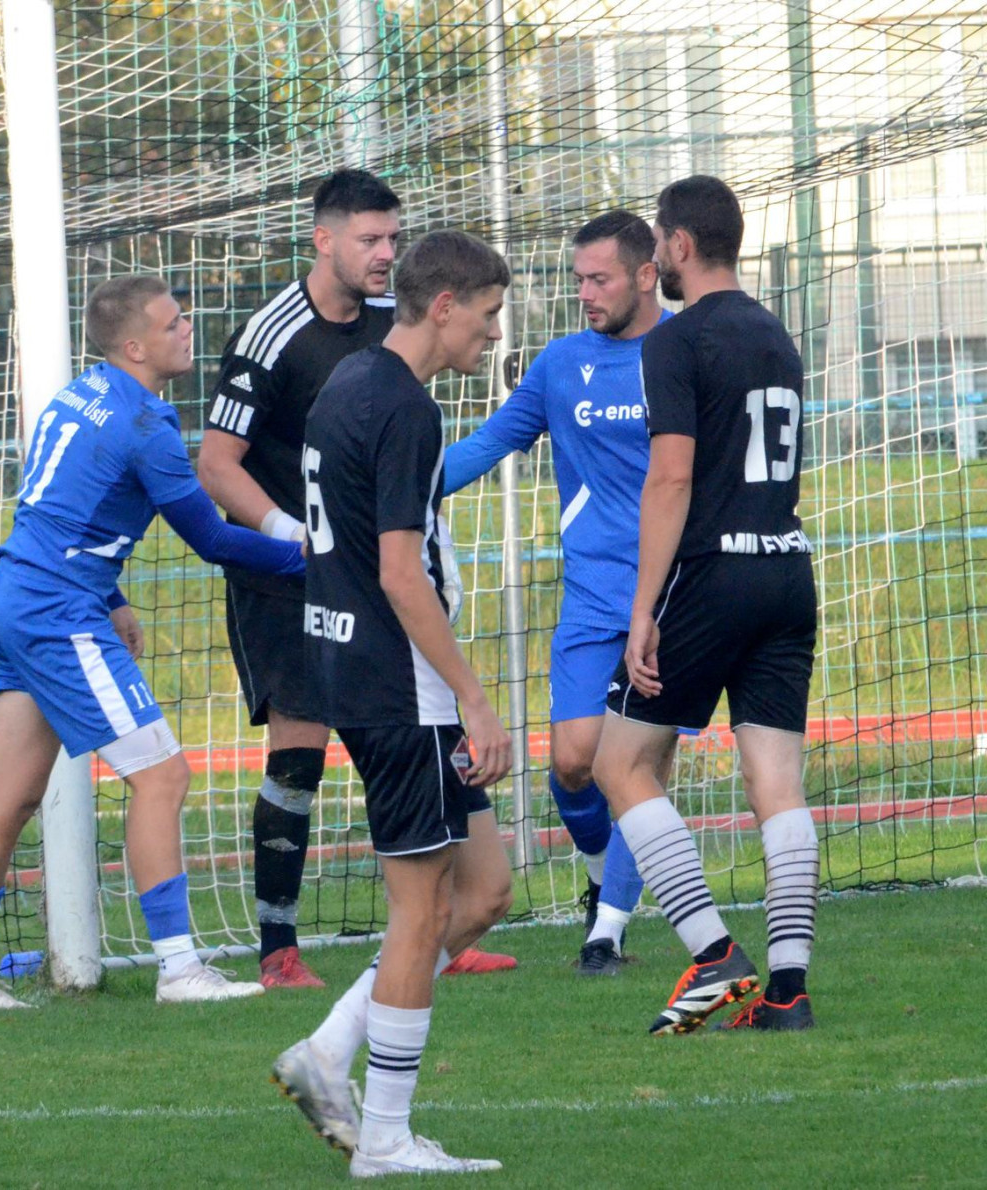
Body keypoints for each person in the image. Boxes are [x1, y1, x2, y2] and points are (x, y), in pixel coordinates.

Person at [0, 275, 305, 1011]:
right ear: (134, 346)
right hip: (55, 611)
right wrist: (309, 558)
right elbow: (211, 539)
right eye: (172, 323)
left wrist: (113, 596)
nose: (187, 329)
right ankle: (179, 969)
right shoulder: (144, 425)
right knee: (163, 778)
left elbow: (57, 508)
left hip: (13, 594)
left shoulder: (77, 395)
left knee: (8, 798)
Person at [199, 168, 514, 987]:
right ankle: (282, 945)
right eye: (369, 239)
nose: (383, 254)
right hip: (294, 582)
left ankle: (437, 927)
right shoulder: (273, 335)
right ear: (324, 240)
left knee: (446, 856)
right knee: (300, 759)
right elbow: (216, 464)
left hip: (373, 584)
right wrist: (290, 537)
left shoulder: (388, 336)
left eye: (393, 239)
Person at [270, 231, 514, 1175]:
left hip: (360, 672)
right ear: (444, 305)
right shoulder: (406, 407)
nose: (493, 332)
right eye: (488, 313)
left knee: (483, 891)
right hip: (401, 687)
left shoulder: (351, 380)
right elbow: (400, 574)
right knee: (420, 910)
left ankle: (329, 1051)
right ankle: (384, 1139)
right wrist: (474, 699)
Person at [592, 175, 819, 1034]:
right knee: (778, 785)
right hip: (787, 571)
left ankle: (714, 953)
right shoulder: (776, 334)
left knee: (621, 765)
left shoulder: (676, 340)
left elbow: (672, 478)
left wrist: (644, 607)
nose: (655, 256)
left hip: (714, 574)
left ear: (680, 246)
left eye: (658, 242)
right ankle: (788, 993)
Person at [441, 210, 665, 974]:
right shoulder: (562, 363)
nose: (586, 294)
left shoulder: (685, 352)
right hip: (592, 597)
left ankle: (607, 933)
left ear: (646, 274)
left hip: (674, 596)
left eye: (600, 279)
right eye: (579, 280)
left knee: (632, 766)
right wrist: (400, 485)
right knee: (573, 764)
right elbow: (491, 440)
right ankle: (604, 882)